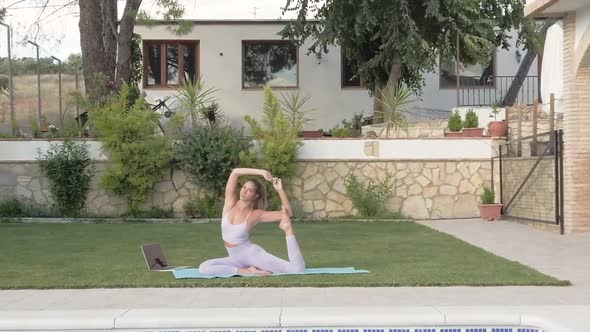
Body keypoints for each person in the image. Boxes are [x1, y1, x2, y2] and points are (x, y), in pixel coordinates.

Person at [198, 168, 306, 276]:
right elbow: (235, 172)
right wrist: (262, 172)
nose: (244, 191)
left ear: (255, 196)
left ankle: (288, 229)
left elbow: (288, 214)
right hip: (235, 259)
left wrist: (280, 190)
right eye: (244, 187)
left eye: (249, 190)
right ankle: (247, 271)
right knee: (204, 268)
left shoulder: (255, 214)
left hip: (252, 255)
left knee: (297, 270)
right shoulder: (230, 204)